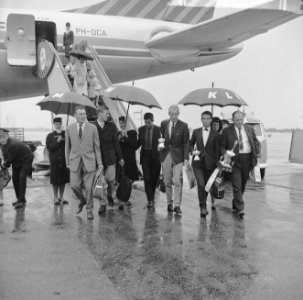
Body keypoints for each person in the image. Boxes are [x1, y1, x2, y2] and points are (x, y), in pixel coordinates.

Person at [220, 111, 260, 218]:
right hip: (234, 160)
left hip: (247, 159)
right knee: (237, 185)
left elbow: (256, 142)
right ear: (233, 120)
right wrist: (225, 153)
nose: (239, 122)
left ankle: (235, 203)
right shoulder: (227, 131)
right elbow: (222, 146)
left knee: (242, 185)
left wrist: (257, 153)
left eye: (241, 119)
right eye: (237, 120)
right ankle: (241, 208)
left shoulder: (249, 129)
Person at [65, 105, 103, 219]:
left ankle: (89, 210)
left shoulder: (93, 128)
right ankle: (82, 200)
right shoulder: (69, 128)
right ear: (75, 115)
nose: (83, 116)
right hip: (74, 161)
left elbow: (97, 147)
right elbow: (67, 146)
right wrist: (67, 161)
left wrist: (100, 163)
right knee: (74, 185)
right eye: (80, 114)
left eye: (84, 114)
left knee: (89, 188)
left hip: (89, 161)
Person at [93, 105, 124, 214]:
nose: (108, 115)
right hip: (98, 160)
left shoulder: (111, 126)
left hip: (110, 158)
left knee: (111, 180)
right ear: (100, 113)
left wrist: (120, 157)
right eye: (106, 113)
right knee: (100, 182)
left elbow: (116, 143)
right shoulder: (92, 126)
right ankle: (102, 204)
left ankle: (111, 196)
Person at [159, 105, 190, 215]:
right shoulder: (163, 124)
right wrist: (160, 145)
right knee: (167, 181)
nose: (173, 116)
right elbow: (161, 139)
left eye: (175, 114)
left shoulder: (184, 126)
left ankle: (177, 205)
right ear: (169, 114)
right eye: (171, 114)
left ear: (178, 114)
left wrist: (186, 158)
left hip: (178, 156)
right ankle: (169, 203)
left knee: (177, 181)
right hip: (166, 155)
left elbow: (186, 144)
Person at [190, 111, 220, 217]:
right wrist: (192, 151)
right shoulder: (196, 131)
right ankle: (202, 207)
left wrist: (218, 165)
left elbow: (217, 151)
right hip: (197, 163)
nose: (205, 120)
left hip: (211, 165)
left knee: (207, 186)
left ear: (211, 120)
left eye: (208, 118)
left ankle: (204, 205)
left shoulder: (216, 134)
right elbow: (190, 143)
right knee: (201, 185)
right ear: (201, 119)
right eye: (203, 118)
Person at [0, 128, 34, 209]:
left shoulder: (13, 144)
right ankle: (20, 199)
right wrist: (3, 163)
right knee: (15, 178)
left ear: (7, 136)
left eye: (2, 136)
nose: (1, 139)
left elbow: (9, 159)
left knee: (22, 178)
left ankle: (21, 201)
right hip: (16, 160)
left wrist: (3, 167)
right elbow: (5, 155)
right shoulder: (2, 143)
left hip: (26, 159)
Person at [137, 113, 161, 209]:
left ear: (152, 120)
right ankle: (150, 200)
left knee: (154, 178)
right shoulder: (141, 129)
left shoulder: (158, 129)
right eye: (146, 122)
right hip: (145, 156)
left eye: (149, 122)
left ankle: (152, 194)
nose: (147, 124)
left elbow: (162, 142)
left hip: (156, 156)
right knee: (147, 178)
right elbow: (139, 142)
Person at [46, 117, 70, 205]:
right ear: (54, 125)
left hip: (64, 160)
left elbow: (69, 145)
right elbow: (50, 148)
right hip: (55, 161)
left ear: (61, 124)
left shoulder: (66, 134)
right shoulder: (50, 136)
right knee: (55, 180)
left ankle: (61, 196)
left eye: (59, 124)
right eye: (56, 124)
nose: (58, 125)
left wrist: (65, 139)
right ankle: (56, 197)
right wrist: (57, 141)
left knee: (63, 180)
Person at [118, 116, 140, 182]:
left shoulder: (133, 133)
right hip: (122, 159)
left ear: (126, 123)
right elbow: (117, 146)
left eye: (123, 123)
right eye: (120, 123)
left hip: (130, 158)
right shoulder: (119, 133)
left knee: (131, 178)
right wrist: (118, 139)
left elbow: (134, 144)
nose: (121, 125)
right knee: (123, 179)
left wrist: (127, 136)